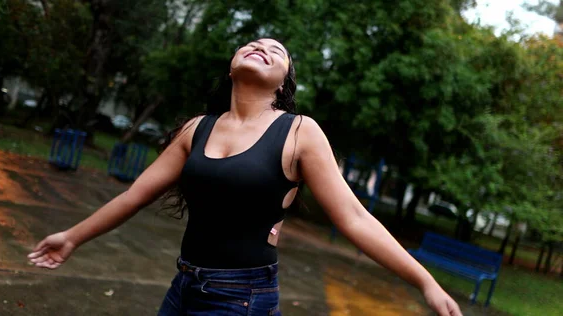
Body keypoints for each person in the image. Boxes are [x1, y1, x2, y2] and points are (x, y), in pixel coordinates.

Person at [28, 38, 462, 316]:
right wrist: (73, 237)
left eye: (276, 51)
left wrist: (425, 281)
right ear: (232, 66)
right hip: (184, 286)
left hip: (241, 299)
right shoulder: (196, 128)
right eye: (252, 44)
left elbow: (355, 218)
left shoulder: (299, 132)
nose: (261, 47)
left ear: (282, 83)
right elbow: (134, 196)